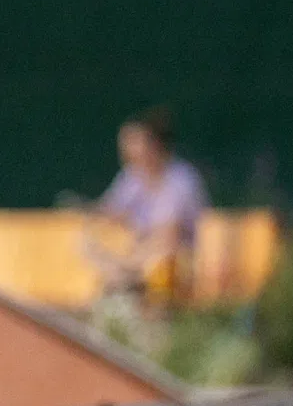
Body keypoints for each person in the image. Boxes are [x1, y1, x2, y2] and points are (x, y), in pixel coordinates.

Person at [88, 107, 208, 304]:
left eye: (135, 142)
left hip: (179, 264)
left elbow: (169, 237)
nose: (128, 150)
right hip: (142, 257)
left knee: (150, 262)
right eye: (126, 143)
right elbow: (109, 213)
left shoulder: (181, 180)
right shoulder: (132, 178)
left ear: (155, 144)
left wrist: (127, 263)